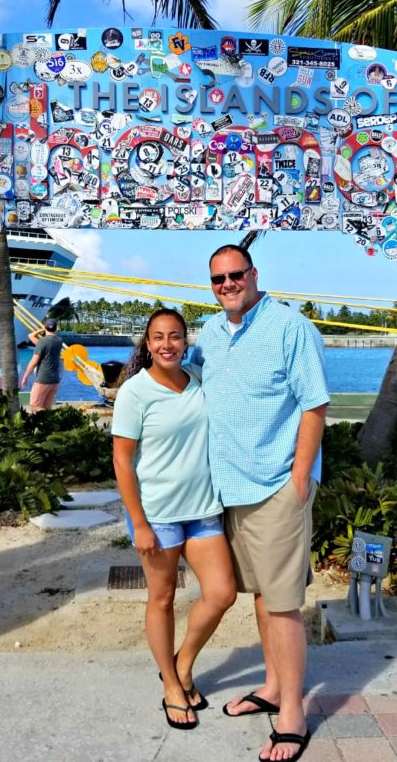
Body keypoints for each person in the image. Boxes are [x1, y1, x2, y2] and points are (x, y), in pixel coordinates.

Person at [191, 245, 329, 762]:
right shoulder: (209, 333)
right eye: (218, 279)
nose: (228, 284)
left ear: (253, 274)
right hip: (231, 487)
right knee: (259, 594)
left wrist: (298, 478)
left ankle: (291, 711)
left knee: (283, 601)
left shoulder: (290, 328)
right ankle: (272, 686)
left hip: (276, 485)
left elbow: (315, 404)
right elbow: (178, 369)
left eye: (235, 275)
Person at [111, 308, 237, 730]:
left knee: (221, 594)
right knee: (161, 599)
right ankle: (171, 686)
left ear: (186, 341)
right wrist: (139, 523)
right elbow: (123, 462)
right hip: (158, 516)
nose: (168, 344)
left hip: (203, 510)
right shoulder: (135, 392)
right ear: (147, 344)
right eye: (158, 337)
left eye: (176, 336)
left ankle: (180, 665)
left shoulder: (199, 380)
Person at [20, 318, 63, 412]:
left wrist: (25, 376)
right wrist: (46, 329)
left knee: (35, 406)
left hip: (43, 379)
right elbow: (32, 337)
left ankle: (38, 425)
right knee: (46, 406)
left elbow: (34, 361)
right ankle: (48, 425)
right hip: (55, 380)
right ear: (56, 328)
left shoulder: (42, 342)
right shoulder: (59, 341)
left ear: (45, 327)